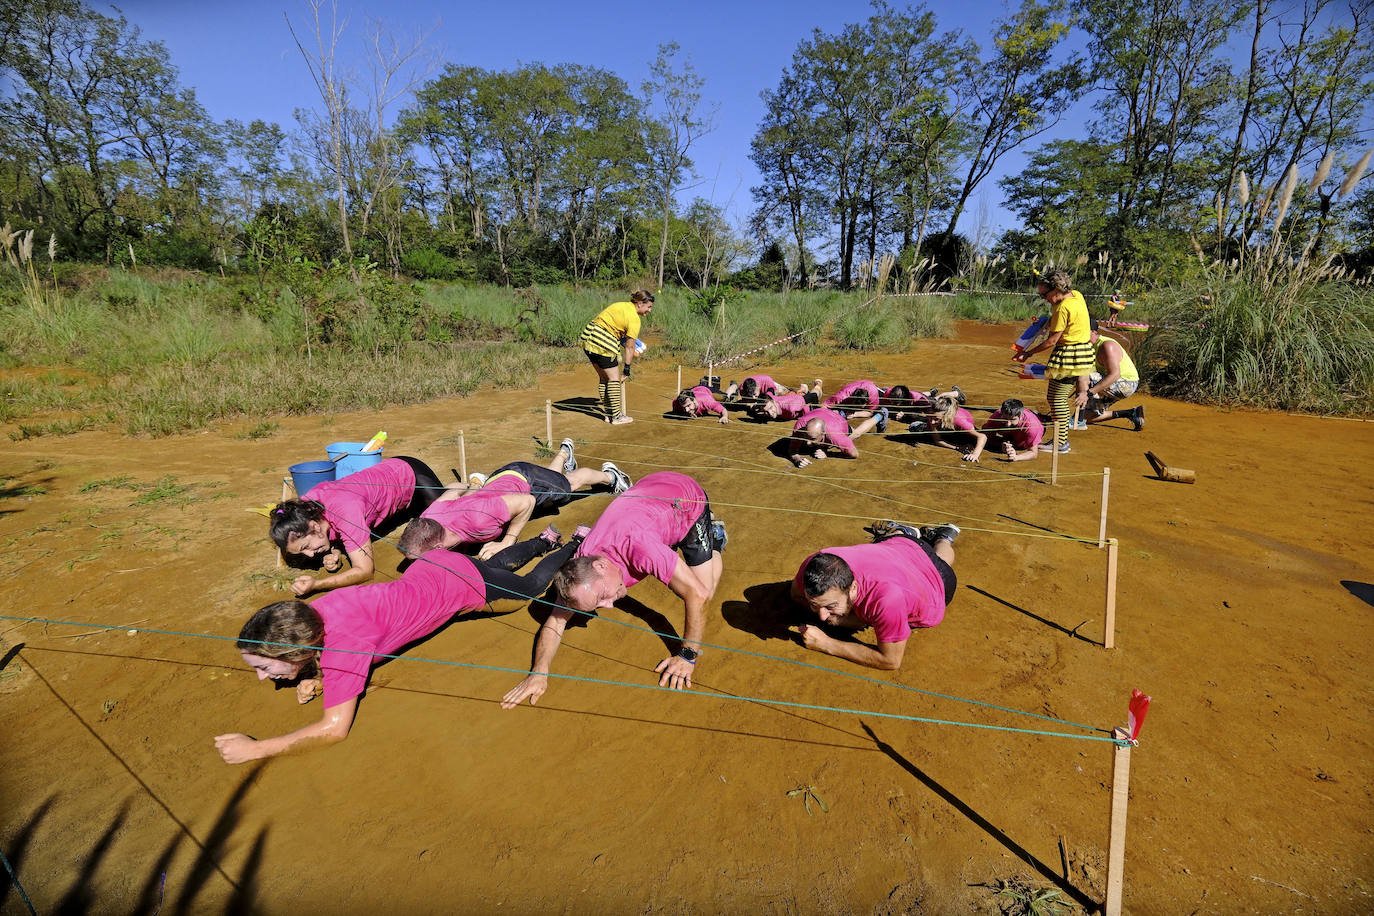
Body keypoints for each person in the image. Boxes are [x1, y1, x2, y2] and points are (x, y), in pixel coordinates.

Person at [214, 532, 582, 763]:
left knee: (529, 587)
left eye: (265, 667)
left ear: (299, 649)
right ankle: (543, 539)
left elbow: (334, 728)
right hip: (434, 565)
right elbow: (346, 638)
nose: (265, 678)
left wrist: (258, 748)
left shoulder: (344, 652)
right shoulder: (316, 611)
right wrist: (310, 673)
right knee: (496, 567)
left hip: (468, 589)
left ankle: (573, 545)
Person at [500, 471, 725, 707]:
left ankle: (715, 538)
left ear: (601, 564)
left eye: (601, 597)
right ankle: (684, 538)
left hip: (684, 498)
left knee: (706, 590)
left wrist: (687, 657)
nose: (608, 605)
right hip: (647, 495)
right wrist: (539, 671)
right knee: (676, 565)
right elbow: (556, 622)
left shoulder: (638, 546)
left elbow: (698, 596)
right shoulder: (580, 569)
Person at [397, 440, 631, 558]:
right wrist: (473, 491)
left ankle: (610, 476)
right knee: (554, 482)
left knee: (568, 487)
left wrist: (507, 541)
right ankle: (564, 454)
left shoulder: (479, 519)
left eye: (416, 559)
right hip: (501, 479)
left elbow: (527, 501)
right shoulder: (429, 517)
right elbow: (455, 488)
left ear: (437, 547)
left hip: (526, 479)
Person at [789, 522, 959, 670]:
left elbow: (891, 660)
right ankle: (904, 532)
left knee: (940, 558)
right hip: (895, 546)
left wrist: (826, 643)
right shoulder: (814, 566)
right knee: (884, 543)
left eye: (830, 606)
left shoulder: (887, 599)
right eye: (814, 605)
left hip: (929, 576)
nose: (822, 616)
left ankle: (943, 537)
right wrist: (846, 618)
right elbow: (796, 594)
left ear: (853, 588)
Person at [270, 456, 444, 597]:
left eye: (306, 547)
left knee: (449, 517)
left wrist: (317, 584)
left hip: (411, 473)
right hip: (390, 489)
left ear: (315, 526)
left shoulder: (345, 511)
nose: (309, 554)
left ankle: (462, 489)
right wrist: (336, 550)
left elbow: (365, 571)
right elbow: (331, 528)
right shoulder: (305, 508)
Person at [1014, 269, 1092, 454]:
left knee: (1057, 400)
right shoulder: (1076, 295)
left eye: (1044, 294)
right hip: (1080, 354)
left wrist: (1028, 353)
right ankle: (1060, 440)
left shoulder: (1062, 307)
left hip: (1068, 356)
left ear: (1056, 289)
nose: (1043, 298)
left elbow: (1052, 341)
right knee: (1056, 398)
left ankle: (1061, 442)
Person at [579, 290, 653, 424]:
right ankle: (617, 416)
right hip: (604, 342)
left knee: (603, 378)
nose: (649, 310)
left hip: (588, 337)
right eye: (649, 307)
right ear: (640, 303)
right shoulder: (635, 319)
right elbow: (630, 348)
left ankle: (609, 414)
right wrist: (627, 368)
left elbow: (613, 326)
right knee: (614, 379)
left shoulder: (620, 305)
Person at [1085, 322, 1145, 430]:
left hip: (1126, 383)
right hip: (1111, 382)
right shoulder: (1089, 346)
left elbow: (1114, 374)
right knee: (1087, 418)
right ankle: (1130, 413)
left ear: (1093, 332)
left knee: (1083, 376)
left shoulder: (1107, 345)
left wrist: (1090, 392)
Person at [787, 405, 887, 468]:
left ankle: (880, 415)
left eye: (812, 439)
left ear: (824, 434)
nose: (807, 443)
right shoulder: (800, 427)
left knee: (856, 434)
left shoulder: (835, 435)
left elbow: (854, 454)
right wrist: (797, 458)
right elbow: (792, 450)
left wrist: (828, 453)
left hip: (838, 421)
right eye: (806, 436)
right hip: (821, 412)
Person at [920, 392, 988, 463]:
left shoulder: (959, 421)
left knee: (971, 441)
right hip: (945, 426)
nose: (932, 422)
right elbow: (937, 440)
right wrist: (957, 447)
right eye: (931, 417)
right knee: (927, 434)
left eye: (936, 419)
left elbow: (982, 436)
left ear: (946, 416)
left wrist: (975, 454)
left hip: (962, 429)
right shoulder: (931, 415)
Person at [749, 380, 823, 422]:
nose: (770, 414)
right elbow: (770, 390)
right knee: (792, 394)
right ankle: (802, 389)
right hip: (789, 396)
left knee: (816, 393)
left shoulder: (792, 407)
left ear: (774, 402)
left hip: (797, 401)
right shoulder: (769, 398)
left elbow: (813, 396)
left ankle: (817, 385)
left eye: (771, 408)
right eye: (766, 412)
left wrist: (816, 412)